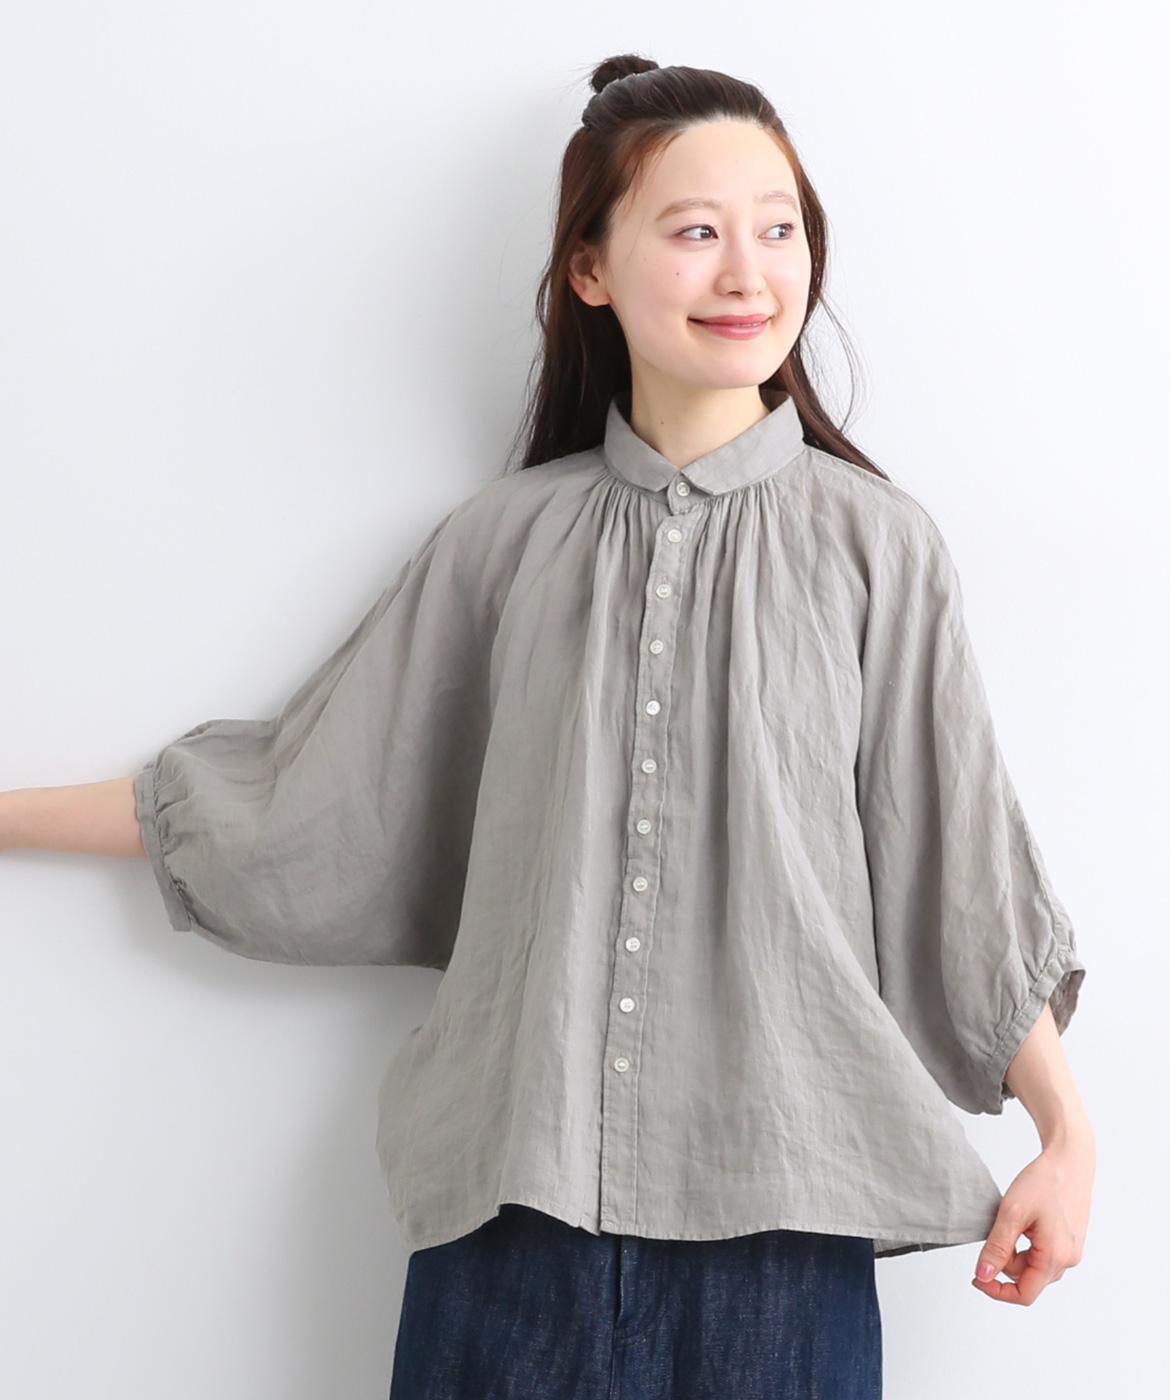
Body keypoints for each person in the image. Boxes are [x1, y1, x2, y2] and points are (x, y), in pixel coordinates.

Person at [1, 52, 1094, 1400]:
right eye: (695, 232)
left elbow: (959, 872)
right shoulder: (502, 544)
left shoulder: (879, 549)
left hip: (786, 1235)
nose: (748, 273)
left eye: (779, 229)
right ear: (590, 268)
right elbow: (302, 803)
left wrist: (1066, 1134)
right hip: (512, 1226)